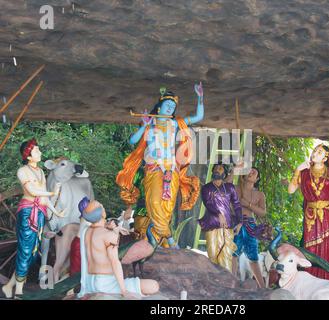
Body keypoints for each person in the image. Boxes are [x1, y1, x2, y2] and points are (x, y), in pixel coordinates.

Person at [116, 84, 204, 248]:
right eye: (167, 105)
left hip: (171, 171)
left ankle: (156, 239)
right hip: (154, 169)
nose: (170, 108)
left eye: (173, 107)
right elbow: (132, 141)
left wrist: (200, 97)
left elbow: (199, 116)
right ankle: (170, 239)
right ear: (159, 106)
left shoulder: (176, 123)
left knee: (167, 209)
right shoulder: (150, 123)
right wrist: (143, 125)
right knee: (154, 203)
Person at [2, 139, 64, 298]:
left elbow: (43, 198)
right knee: (26, 251)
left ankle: (9, 286)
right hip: (29, 213)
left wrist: (56, 213)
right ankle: (19, 292)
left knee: (32, 253)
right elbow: (32, 191)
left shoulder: (41, 172)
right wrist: (52, 193)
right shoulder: (22, 171)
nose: (40, 153)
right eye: (37, 151)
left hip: (40, 213)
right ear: (28, 156)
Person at [77, 197, 159, 298]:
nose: (103, 208)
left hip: (90, 283)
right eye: (102, 206)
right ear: (102, 213)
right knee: (154, 286)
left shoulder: (86, 231)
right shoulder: (108, 235)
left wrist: (115, 229)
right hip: (106, 284)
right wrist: (124, 291)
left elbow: (99, 230)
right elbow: (115, 262)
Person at [288, 144, 329, 280]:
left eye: (319, 152)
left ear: (325, 158)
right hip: (311, 216)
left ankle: (327, 280)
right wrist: (297, 170)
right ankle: (311, 280)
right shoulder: (304, 172)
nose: (314, 153)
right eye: (314, 151)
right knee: (310, 249)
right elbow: (290, 190)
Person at [230, 167, 270, 288]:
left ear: (257, 179)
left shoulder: (259, 194)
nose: (250, 173)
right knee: (233, 254)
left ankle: (262, 287)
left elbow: (263, 213)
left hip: (251, 225)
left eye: (254, 172)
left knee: (253, 257)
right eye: (249, 170)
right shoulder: (236, 188)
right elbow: (225, 187)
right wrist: (234, 171)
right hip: (236, 222)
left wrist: (248, 205)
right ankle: (232, 283)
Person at [199, 163, 242, 273]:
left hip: (227, 226)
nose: (217, 170)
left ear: (225, 174)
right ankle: (214, 280)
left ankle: (226, 281)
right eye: (216, 168)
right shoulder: (206, 188)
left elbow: (236, 204)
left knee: (226, 255)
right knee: (212, 254)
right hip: (212, 225)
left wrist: (240, 221)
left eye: (220, 168)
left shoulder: (230, 188)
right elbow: (207, 203)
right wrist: (218, 213)